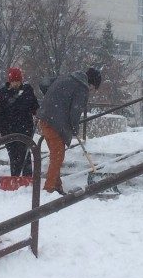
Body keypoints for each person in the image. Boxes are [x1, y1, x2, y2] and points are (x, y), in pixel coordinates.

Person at [36, 67, 102, 195]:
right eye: (93, 88)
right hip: (54, 123)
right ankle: (49, 189)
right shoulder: (82, 87)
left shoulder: (67, 77)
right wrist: (75, 129)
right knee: (57, 157)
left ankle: (57, 186)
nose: (92, 90)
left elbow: (44, 84)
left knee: (56, 155)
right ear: (91, 83)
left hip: (45, 119)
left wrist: (53, 101)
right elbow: (75, 112)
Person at [0, 66, 39, 177]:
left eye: (18, 81)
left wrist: (37, 113)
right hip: (8, 129)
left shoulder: (27, 91)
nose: (16, 84)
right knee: (13, 155)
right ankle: (15, 177)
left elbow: (34, 106)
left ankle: (27, 178)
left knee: (25, 154)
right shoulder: (3, 93)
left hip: (25, 128)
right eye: (13, 81)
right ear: (10, 81)